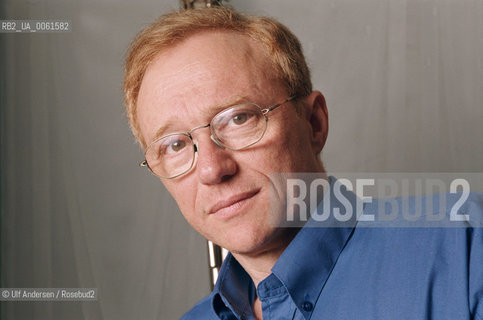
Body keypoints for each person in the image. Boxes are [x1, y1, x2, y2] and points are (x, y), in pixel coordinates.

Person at [123, 7, 483, 320]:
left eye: (238, 119)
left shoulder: (465, 246)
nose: (213, 170)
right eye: (174, 145)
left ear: (314, 123)